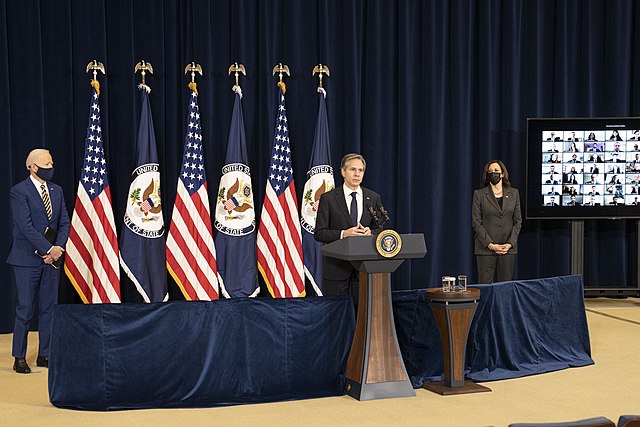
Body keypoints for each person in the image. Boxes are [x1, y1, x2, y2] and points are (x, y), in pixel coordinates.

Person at [7, 149, 70, 374]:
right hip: (26, 259)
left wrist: (57, 249)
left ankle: (45, 353)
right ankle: (19, 357)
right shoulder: (19, 192)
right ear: (33, 167)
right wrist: (47, 248)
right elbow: (25, 227)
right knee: (25, 308)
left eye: (51, 162)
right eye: (46, 163)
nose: (50, 167)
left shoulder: (57, 190)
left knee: (48, 309)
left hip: (52, 260)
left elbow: (64, 222)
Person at [315, 153, 382, 302]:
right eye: (353, 170)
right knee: (336, 315)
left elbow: (381, 229)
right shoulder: (328, 198)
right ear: (343, 172)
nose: (357, 174)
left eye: (360, 170)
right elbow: (319, 233)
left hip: (364, 269)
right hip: (336, 270)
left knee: (362, 314)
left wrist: (370, 232)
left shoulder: (373, 198)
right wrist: (344, 234)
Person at [472, 160, 522, 284]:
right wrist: (490, 244)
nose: (493, 174)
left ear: (502, 174)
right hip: (486, 249)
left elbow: (518, 221)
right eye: (490, 172)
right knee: (485, 287)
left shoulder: (514, 193)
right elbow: (476, 222)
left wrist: (510, 244)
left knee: (504, 288)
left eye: (496, 171)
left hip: (507, 249)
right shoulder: (479, 194)